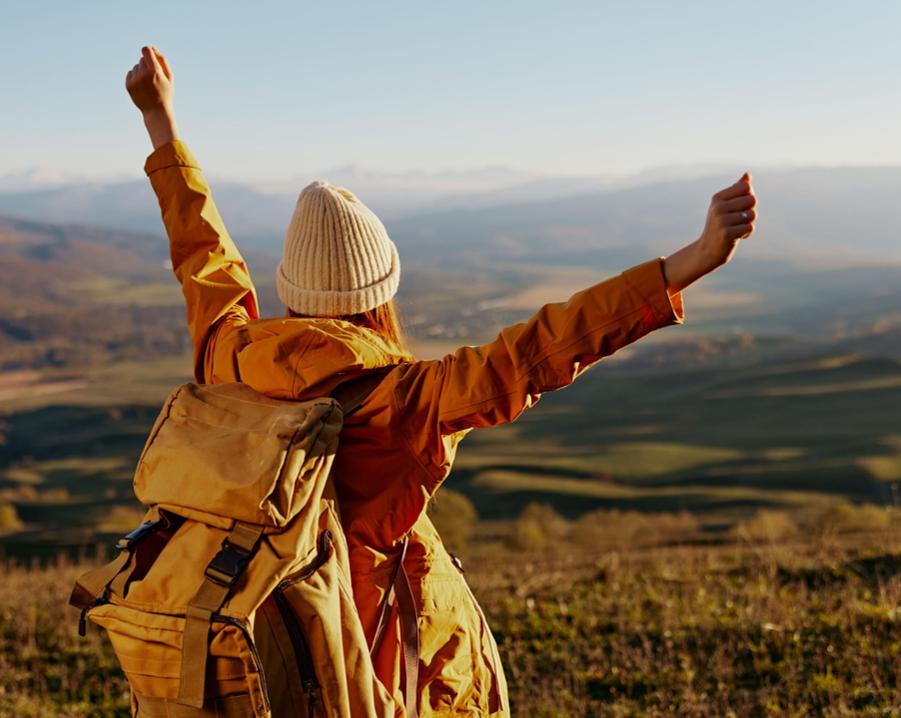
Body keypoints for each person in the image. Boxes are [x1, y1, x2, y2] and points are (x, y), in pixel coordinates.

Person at [124, 45, 757, 717]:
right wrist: (685, 264)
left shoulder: (229, 352)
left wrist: (160, 120)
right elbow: (534, 352)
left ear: (287, 288)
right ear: (381, 293)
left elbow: (202, 255)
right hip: (370, 663)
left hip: (265, 650)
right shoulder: (395, 396)